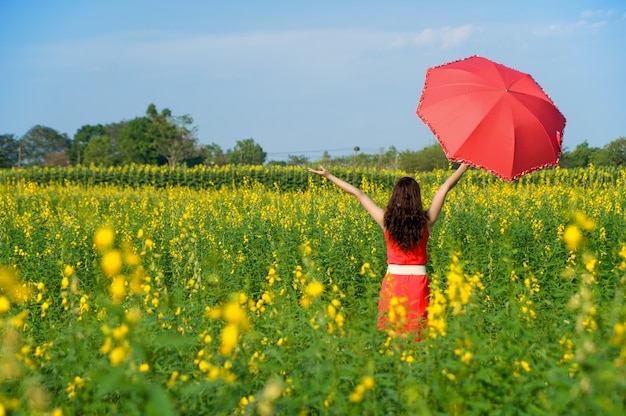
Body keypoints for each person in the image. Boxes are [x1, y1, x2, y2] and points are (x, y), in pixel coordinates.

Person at [307, 163, 469, 340]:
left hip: (393, 282)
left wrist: (329, 176)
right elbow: (445, 187)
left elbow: (359, 194)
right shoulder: (426, 220)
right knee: (418, 334)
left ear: (395, 196)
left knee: (393, 335)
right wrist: (465, 165)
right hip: (418, 283)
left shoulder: (386, 220)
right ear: (417, 197)